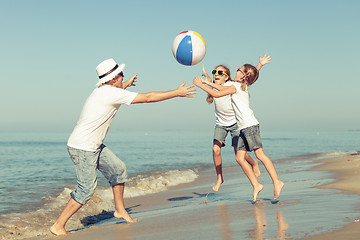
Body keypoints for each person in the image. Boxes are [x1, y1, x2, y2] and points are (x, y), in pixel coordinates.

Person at [50, 58, 196, 235]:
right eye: (120, 74)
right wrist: (177, 92)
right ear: (112, 79)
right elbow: (148, 98)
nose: (122, 76)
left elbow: (116, 91)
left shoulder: (103, 91)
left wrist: (125, 84)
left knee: (118, 169)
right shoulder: (110, 94)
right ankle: (58, 225)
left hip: (92, 145)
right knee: (86, 189)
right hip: (83, 147)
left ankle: (119, 210)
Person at [193, 59, 284, 202]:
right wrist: (206, 82)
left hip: (249, 125)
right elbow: (220, 88)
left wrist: (201, 84)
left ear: (243, 76)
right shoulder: (235, 84)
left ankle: (277, 181)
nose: (236, 70)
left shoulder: (237, 86)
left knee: (260, 154)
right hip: (242, 128)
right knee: (240, 158)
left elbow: (217, 94)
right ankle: (256, 185)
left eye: (239, 70)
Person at [202, 54, 271, 192]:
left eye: (220, 72)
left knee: (240, 154)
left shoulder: (232, 85)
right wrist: (206, 80)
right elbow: (211, 88)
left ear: (227, 76)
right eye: (214, 72)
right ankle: (220, 178)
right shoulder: (213, 86)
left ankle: (254, 163)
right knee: (215, 149)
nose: (216, 74)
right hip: (221, 123)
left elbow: (248, 78)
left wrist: (260, 65)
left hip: (235, 123)